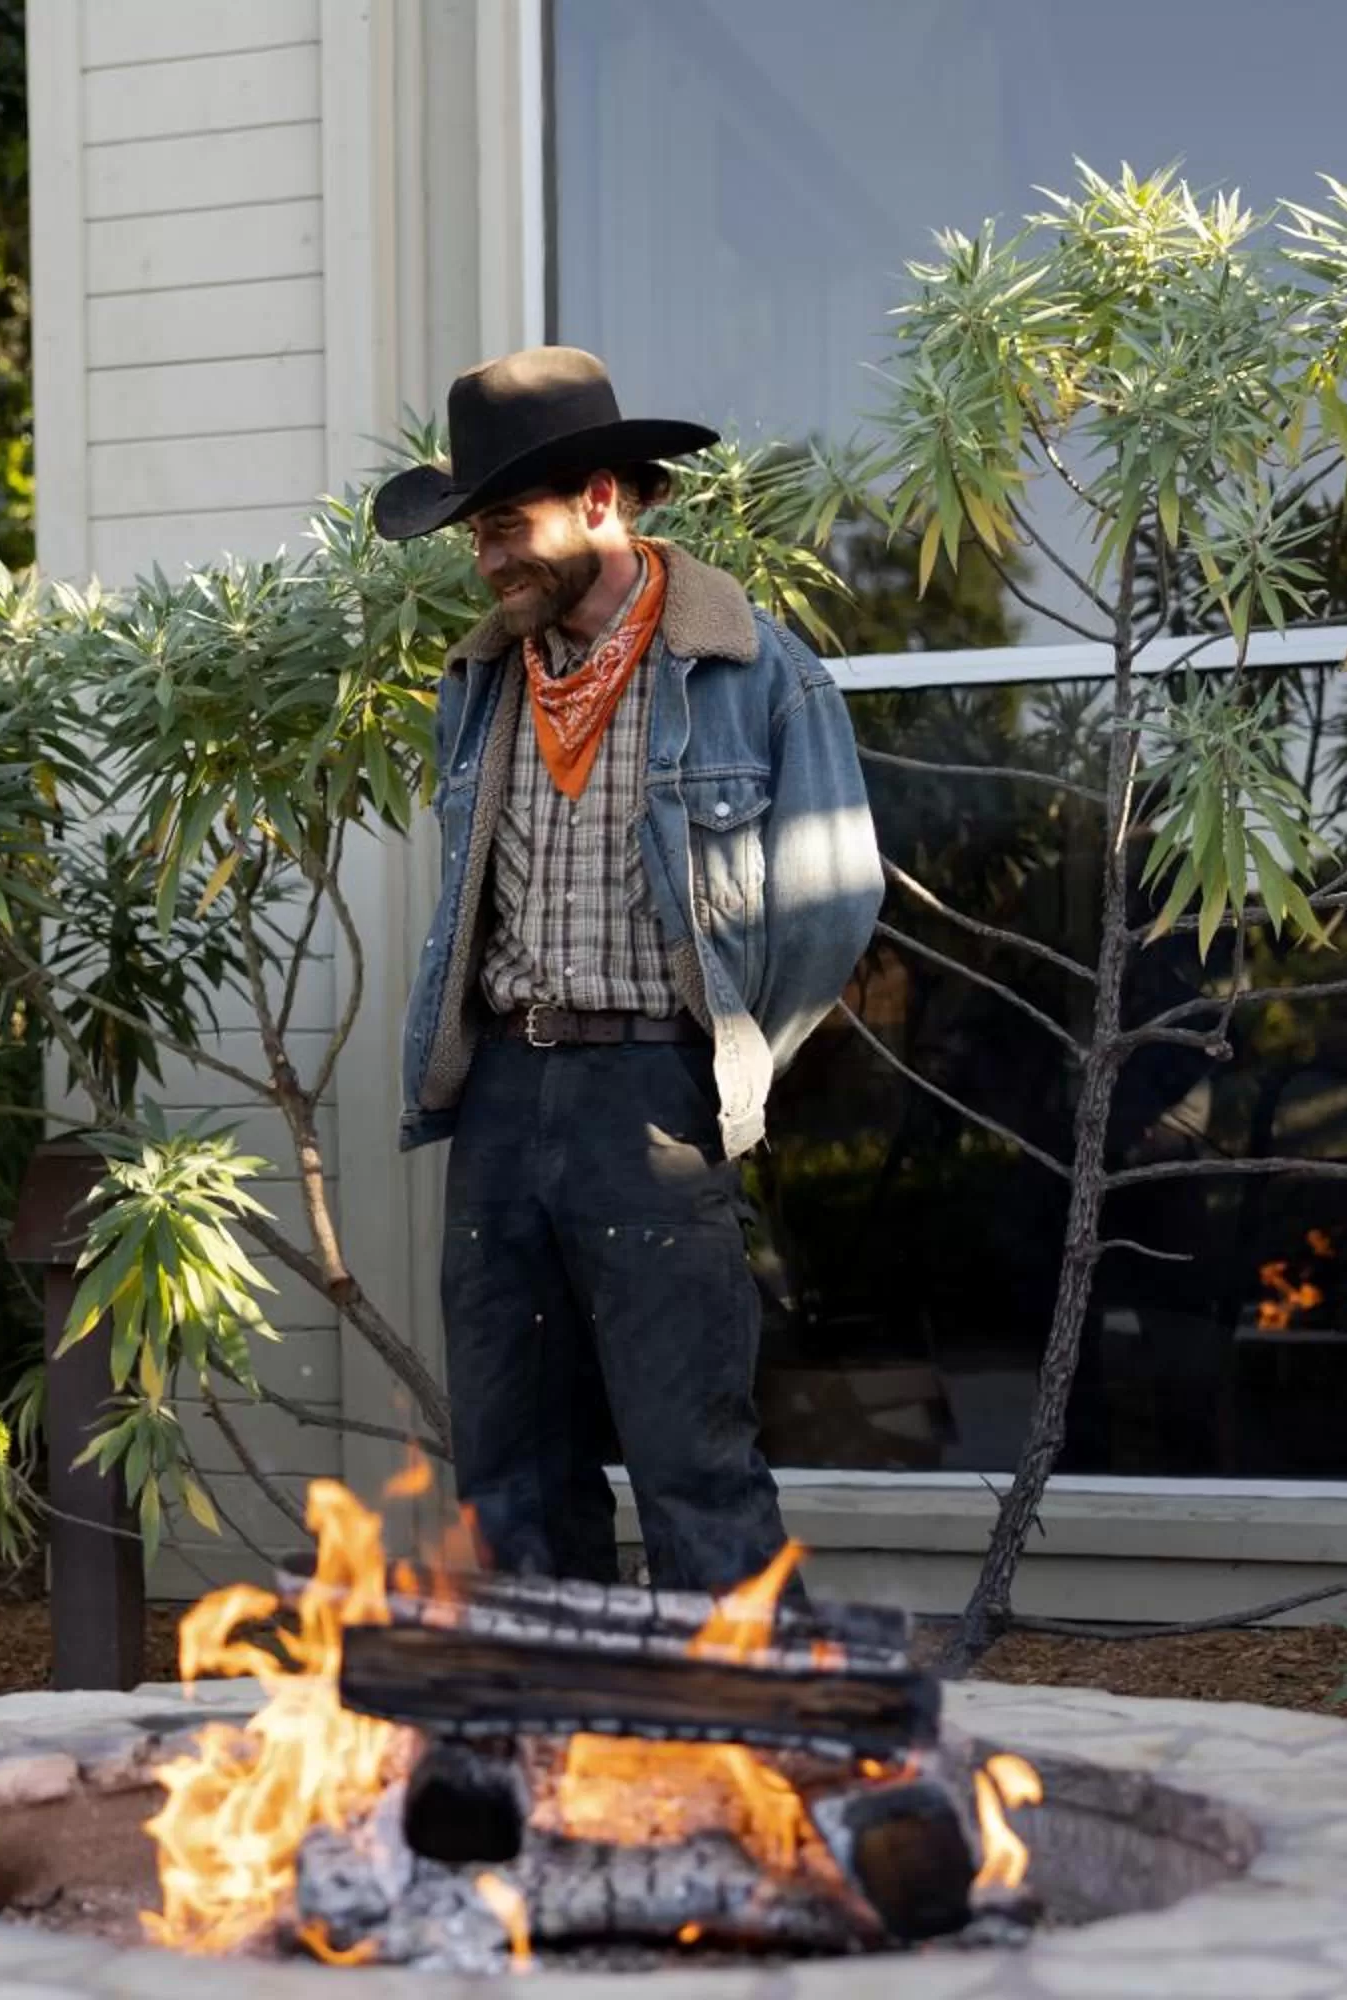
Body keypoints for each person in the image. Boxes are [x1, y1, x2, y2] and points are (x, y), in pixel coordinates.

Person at [379, 346, 884, 1595]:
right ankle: (544, 1757)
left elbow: (833, 902)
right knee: (506, 1469)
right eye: (477, 536)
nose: (487, 560)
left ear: (600, 500)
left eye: (505, 528)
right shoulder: (484, 678)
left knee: (691, 1460)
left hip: (654, 1097)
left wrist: (725, 1053)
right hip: (499, 1097)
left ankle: (757, 1757)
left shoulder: (757, 673)